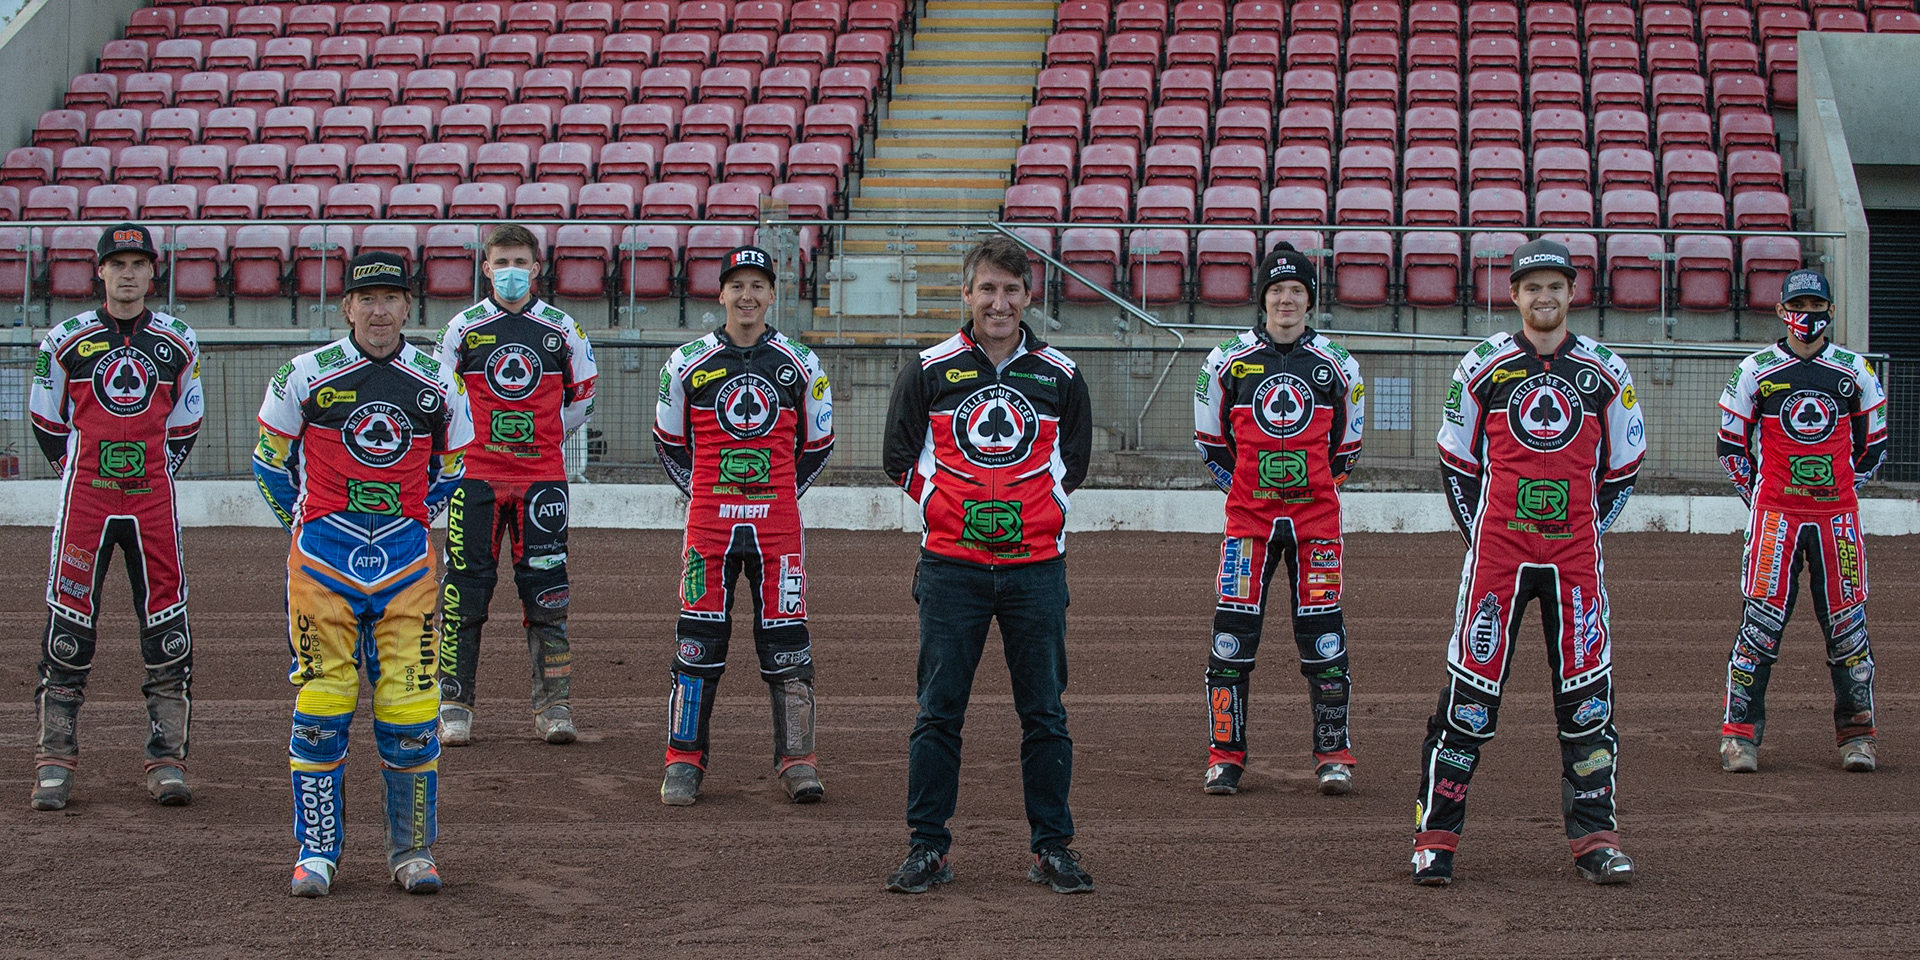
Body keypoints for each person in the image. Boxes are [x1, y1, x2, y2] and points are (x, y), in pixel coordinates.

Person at [1411, 238, 1646, 887]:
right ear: (1515, 295)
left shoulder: (1607, 373)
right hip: (1497, 560)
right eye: (1531, 286)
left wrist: (1580, 533)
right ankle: (1436, 839)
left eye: (1555, 286)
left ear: (1573, 292)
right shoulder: (1482, 366)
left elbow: (1621, 472)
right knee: (1468, 700)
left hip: (1575, 563)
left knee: (1587, 699)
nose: (1544, 297)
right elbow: (1455, 464)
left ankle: (1597, 838)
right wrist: (1486, 537)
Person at [879, 235, 1096, 896]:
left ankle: (1052, 847)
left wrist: (1039, 509)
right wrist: (944, 505)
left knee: (1045, 714)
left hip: (1036, 570)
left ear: (1029, 296)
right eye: (987, 289)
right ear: (967, 294)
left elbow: (1075, 465)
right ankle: (927, 847)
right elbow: (897, 457)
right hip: (951, 568)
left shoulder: (1060, 374)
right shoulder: (929, 369)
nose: (999, 303)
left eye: (1011, 290)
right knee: (938, 711)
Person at [254, 251, 473, 897]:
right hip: (321, 567)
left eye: (391, 297)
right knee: (321, 709)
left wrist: (418, 518)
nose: (379, 310)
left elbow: (456, 464)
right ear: (346, 307)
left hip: (406, 567)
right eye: (366, 298)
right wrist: (302, 525)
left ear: (409, 306)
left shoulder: (439, 380)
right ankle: (317, 852)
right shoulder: (303, 374)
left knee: (410, 711)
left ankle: (412, 852)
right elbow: (269, 463)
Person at [26, 222, 203, 811]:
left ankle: (167, 760)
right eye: (117, 263)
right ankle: (54, 760)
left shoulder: (179, 340)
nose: (128, 273)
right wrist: (85, 475)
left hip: (153, 501)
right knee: (70, 626)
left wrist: (151, 475)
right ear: (99, 271)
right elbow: (46, 421)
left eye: (139, 263)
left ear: (154, 272)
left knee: (166, 624)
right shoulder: (65, 339)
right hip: (86, 505)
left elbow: (186, 424)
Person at [653, 246, 834, 806]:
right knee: (697, 643)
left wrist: (780, 493)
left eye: (758, 285)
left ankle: (798, 761)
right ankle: (683, 761)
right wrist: (704, 493)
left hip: (779, 530)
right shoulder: (685, 362)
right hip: (708, 526)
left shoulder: (802, 363)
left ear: (773, 294)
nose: (747, 295)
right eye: (737, 285)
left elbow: (820, 444)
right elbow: (668, 442)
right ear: (721, 293)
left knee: (788, 643)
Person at [1193, 242, 1365, 797]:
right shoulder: (1226, 361)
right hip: (1249, 524)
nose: (1286, 300)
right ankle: (1225, 757)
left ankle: (1334, 756)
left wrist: (1312, 490)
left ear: (1310, 300)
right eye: (1276, 291)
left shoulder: (1339, 364)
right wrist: (1248, 489)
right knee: (1231, 639)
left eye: (1296, 291)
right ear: (1262, 298)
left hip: (1317, 524)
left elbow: (1349, 447)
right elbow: (1210, 442)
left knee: (1324, 640)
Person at [1715, 268, 1886, 774]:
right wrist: (1761, 497)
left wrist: (1842, 489)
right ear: (1780, 311)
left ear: (1829, 311)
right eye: (1798, 306)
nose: (1806, 316)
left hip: (1838, 521)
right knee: (1760, 626)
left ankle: (1858, 738)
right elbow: (1729, 446)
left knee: (1848, 627)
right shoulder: (1756, 369)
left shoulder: (1855, 371)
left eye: (1815, 306)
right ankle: (1738, 736)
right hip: (1775, 519)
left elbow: (1873, 445)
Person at [433, 224, 598, 747]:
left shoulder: (562, 329)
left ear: (536, 266)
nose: (510, 271)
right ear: (486, 268)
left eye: (519, 261)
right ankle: (455, 704)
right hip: (472, 480)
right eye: (500, 261)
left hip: (542, 481)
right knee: (463, 591)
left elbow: (581, 398)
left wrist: (543, 435)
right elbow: (441, 400)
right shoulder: (461, 329)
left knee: (548, 592)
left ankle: (554, 706)